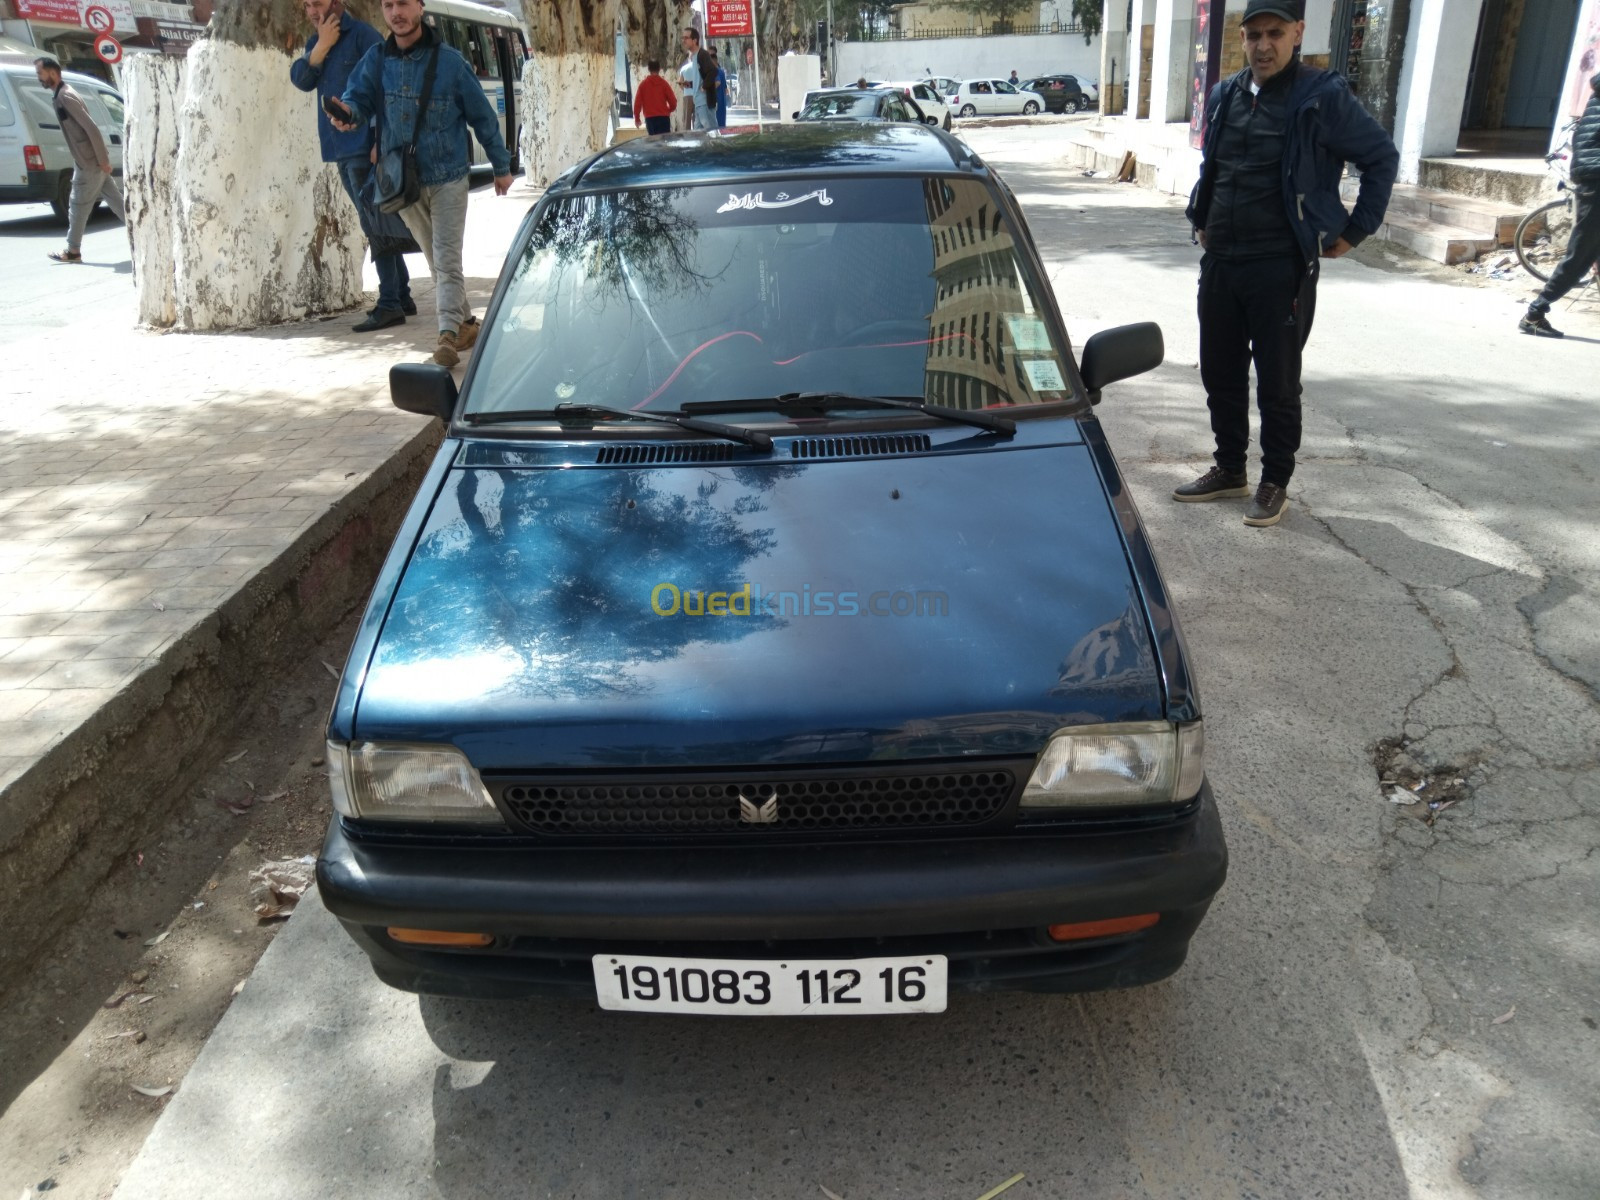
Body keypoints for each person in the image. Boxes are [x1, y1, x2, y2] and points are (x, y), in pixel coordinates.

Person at [1178, 0, 1397, 528]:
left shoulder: (1321, 97)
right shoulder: (1225, 93)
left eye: (1274, 33)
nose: (1263, 45)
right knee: (1220, 374)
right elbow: (1217, 165)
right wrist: (1201, 216)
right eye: (1253, 34)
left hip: (1279, 264)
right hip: (1223, 261)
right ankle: (1230, 468)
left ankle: (1275, 480)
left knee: (1277, 382)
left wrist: (1356, 229)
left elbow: (1380, 157)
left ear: (1297, 33)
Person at [333, 0, 513, 368]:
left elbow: (483, 116)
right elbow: (358, 99)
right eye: (388, 5)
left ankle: (447, 335)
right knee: (436, 259)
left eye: (402, 3)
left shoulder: (450, 63)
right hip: (402, 182)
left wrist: (501, 165)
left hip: (449, 178)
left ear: (420, 6)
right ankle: (464, 323)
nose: (395, 12)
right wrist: (347, 114)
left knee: (445, 258)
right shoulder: (376, 60)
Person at [290, 0, 415, 332]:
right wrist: (321, 49)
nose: (313, 11)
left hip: (363, 146)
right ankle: (401, 294)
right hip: (338, 147)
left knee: (375, 223)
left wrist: (379, 139)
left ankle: (390, 302)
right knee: (375, 220)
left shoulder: (363, 37)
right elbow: (301, 79)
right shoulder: (316, 40)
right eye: (306, 5)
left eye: (317, 2)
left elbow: (387, 90)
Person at [1519, 70, 1600, 338]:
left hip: (1592, 179)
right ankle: (1535, 312)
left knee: (1588, 252)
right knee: (1580, 255)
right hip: (1596, 182)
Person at [34, 57, 125, 265]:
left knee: (77, 204)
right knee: (117, 203)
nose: (38, 78)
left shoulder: (66, 96)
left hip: (90, 162)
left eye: (40, 73)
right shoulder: (61, 95)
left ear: (53, 74)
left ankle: (73, 250)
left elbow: (91, 128)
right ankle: (144, 233)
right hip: (86, 161)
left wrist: (102, 160)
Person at [679, 27, 716, 131]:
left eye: (686, 38)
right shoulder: (695, 56)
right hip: (698, 104)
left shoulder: (702, 55)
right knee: (698, 135)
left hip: (705, 103)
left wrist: (704, 87)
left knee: (711, 134)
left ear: (694, 40)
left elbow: (713, 71)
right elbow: (699, 78)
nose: (683, 40)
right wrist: (690, 84)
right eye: (683, 38)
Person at [633, 59, 677, 135]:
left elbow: (637, 103)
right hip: (663, 118)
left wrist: (637, 118)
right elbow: (673, 101)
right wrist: (669, 110)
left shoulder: (643, 85)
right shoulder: (664, 84)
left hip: (650, 119)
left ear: (649, 69)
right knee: (664, 142)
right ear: (659, 69)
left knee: (653, 143)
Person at [712, 49, 729, 129]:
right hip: (722, 101)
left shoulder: (715, 71)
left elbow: (718, 82)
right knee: (722, 125)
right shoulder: (721, 71)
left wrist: (708, 89)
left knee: (716, 125)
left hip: (717, 101)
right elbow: (726, 89)